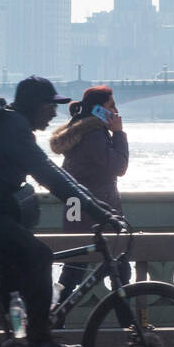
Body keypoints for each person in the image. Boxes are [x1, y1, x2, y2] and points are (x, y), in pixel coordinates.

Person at [0, 75, 122, 347]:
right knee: (39, 257)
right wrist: (97, 210)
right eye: (50, 106)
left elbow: (52, 173)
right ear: (36, 106)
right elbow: (49, 174)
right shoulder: (13, 128)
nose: (54, 113)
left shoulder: (10, 124)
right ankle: (40, 342)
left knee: (13, 267)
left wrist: (92, 204)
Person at [49, 86, 130, 305]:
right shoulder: (93, 135)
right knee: (120, 272)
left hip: (79, 214)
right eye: (111, 106)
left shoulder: (82, 132)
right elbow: (118, 167)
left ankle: (54, 318)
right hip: (95, 214)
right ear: (98, 110)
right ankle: (129, 326)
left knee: (74, 272)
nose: (116, 110)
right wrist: (120, 133)